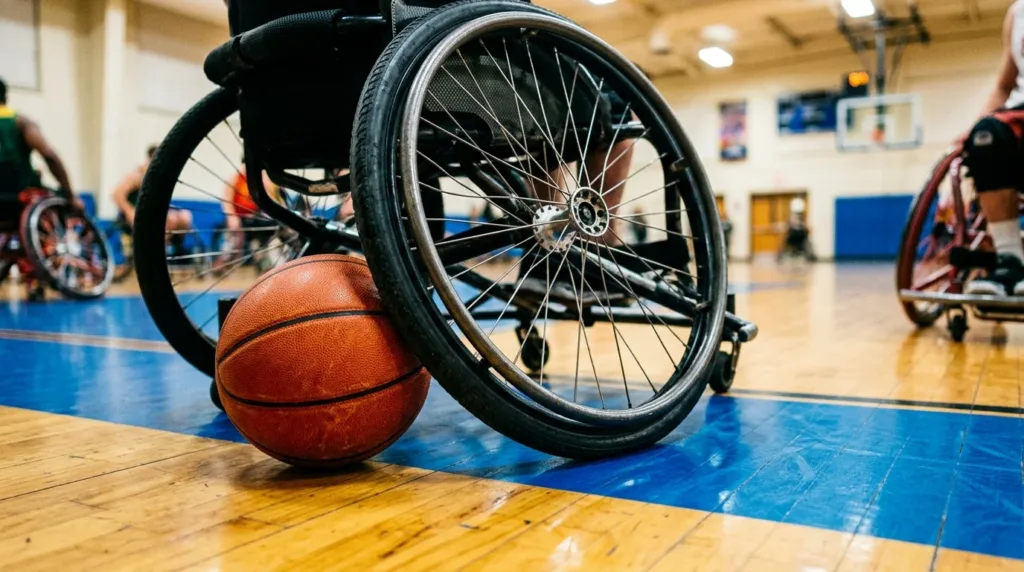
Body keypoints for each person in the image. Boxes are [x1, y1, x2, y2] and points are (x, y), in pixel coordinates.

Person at [0, 77, 85, 298]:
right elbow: (49, 156)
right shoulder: (19, 122)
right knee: (58, 203)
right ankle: (55, 272)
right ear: (5, 97)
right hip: (20, 198)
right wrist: (70, 194)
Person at [962, 1, 1024, 296]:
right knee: (985, 135)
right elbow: (1003, 86)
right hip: (1020, 114)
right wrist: (972, 129)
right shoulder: (1017, 14)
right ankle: (1010, 260)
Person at [111, 145, 192, 237]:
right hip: (136, 213)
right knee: (163, 222)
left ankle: (172, 247)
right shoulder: (137, 176)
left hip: (153, 212)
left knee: (185, 216)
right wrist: (130, 212)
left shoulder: (160, 177)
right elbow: (116, 194)